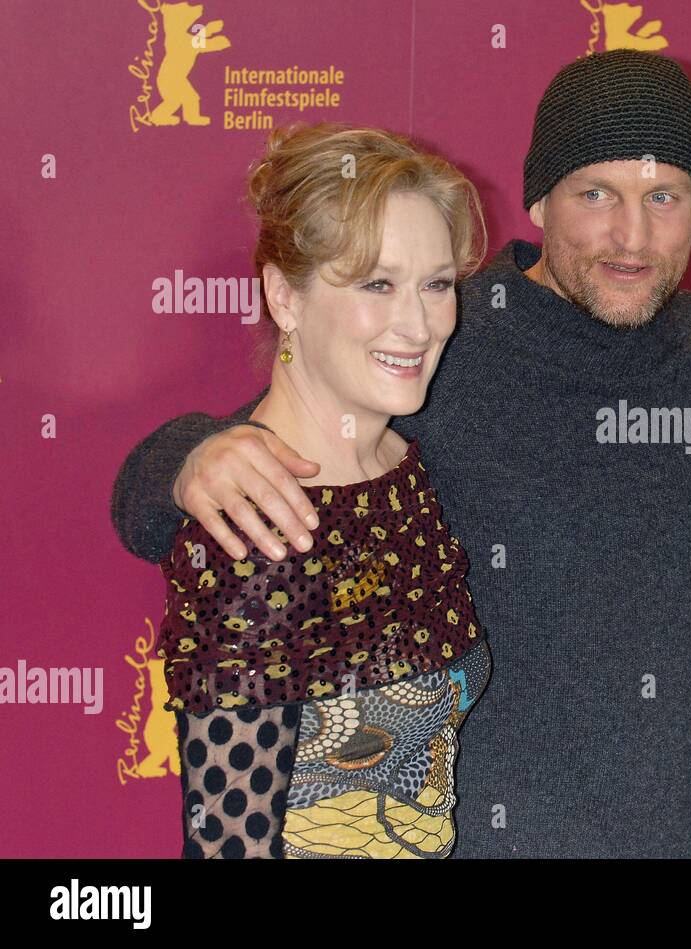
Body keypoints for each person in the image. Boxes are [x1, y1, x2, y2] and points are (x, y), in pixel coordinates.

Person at [113, 51, 691, 858]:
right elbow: (197, 478)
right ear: (538, 197)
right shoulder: (443, 330)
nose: (631, 235)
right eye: (597, 193)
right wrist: (188, 457)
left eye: (663, 197)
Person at [155, 123, 491, 857]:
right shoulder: (258, 523)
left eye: (436, 284)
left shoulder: (405, 469)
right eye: (376, 283)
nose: (418, 322)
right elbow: (230, 844)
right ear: (285, 295)